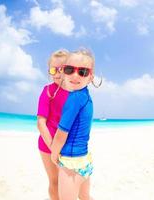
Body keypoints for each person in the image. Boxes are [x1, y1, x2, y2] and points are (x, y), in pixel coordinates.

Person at [51, 49, 96, 200]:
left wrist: (54, 154)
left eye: (82, 72)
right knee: (84, 196)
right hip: (85, 160)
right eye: (69, 70)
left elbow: (61, 134)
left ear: (90, 77)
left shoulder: (74, 98)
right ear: (63, 72)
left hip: (71, 162)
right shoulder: (86, 96)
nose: (75, 75)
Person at [37, 49, 70, 200]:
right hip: (48, 145)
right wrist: (53, 149)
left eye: (61, 69)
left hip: (68, 145)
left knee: (69, 183)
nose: (56, 73)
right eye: (53, 69)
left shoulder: (75, 92)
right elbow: (41, 123)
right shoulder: (48, 91)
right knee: (55, 181)